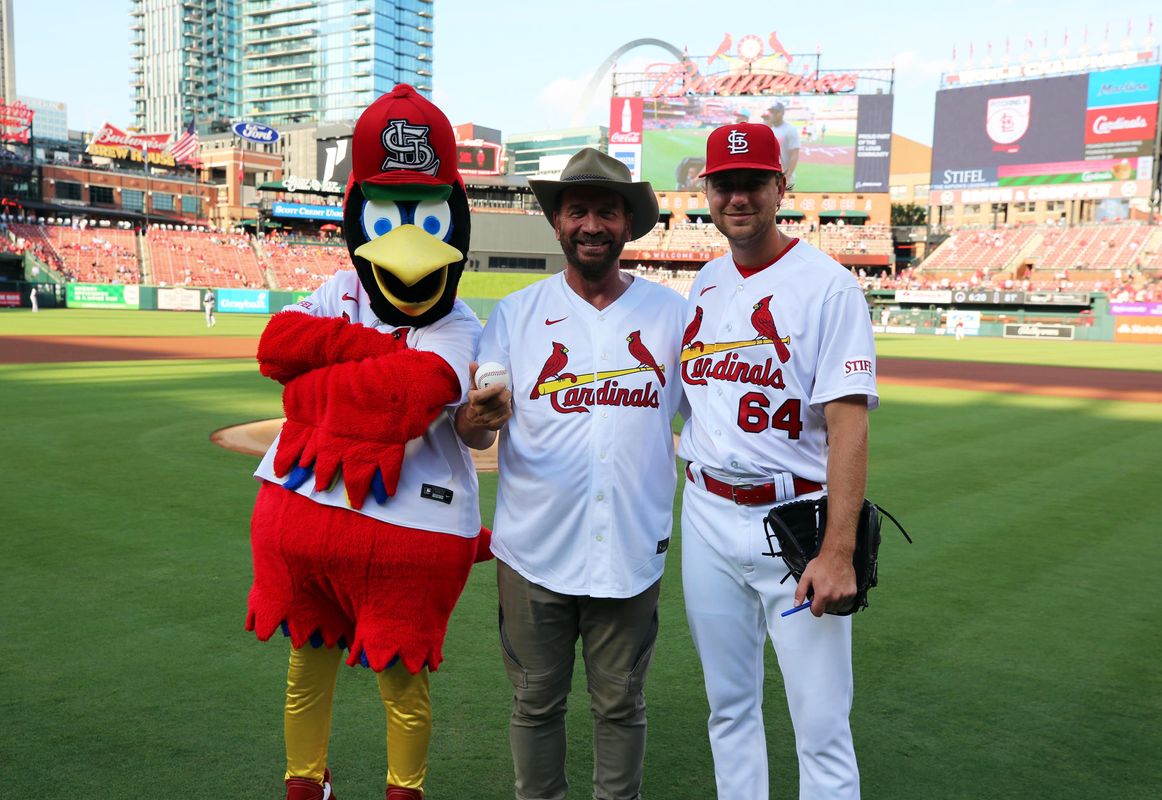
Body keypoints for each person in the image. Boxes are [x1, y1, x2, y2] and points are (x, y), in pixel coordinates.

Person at [245, 84, 490, 800]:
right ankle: (304, 784)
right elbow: (277, 347)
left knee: (400, 678)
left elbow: (397, 402)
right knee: (304, 668)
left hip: (409, 522)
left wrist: (325, 372)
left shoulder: (462, 325)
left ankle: (403, 791)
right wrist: (367, 353)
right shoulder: (339, 284)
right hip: (313, 521)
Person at [456, 147, 686, 800]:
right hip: (533, 553)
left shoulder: (671, 317)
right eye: (577, 210)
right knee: (536, 706)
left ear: (626, 224)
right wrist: (482, 417)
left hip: (632, 550)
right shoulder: (516, 315)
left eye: (607, 211)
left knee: (620, 707)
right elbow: (474, 431)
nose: (592, 224)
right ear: (557, 222)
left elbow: (712, 420)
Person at [676, 123, 879, 799]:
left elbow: (849, 429)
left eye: (753, 183)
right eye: (725, 184)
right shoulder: (703, 284)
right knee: (728, 709)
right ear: (707, 191)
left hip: (795, 527)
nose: (739, 197)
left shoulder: (828, 288)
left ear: (779, 187)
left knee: (820, 726)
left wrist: (839, 551)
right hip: (706, 518)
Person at [761, 101, 800, 183]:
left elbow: (794, 154)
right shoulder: (771, 130)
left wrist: (787, 176)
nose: (771, 114)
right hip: (772, 176)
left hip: (784, 176)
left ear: (781, 113)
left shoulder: (790, 130)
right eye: (771, 112)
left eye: (774, 112)